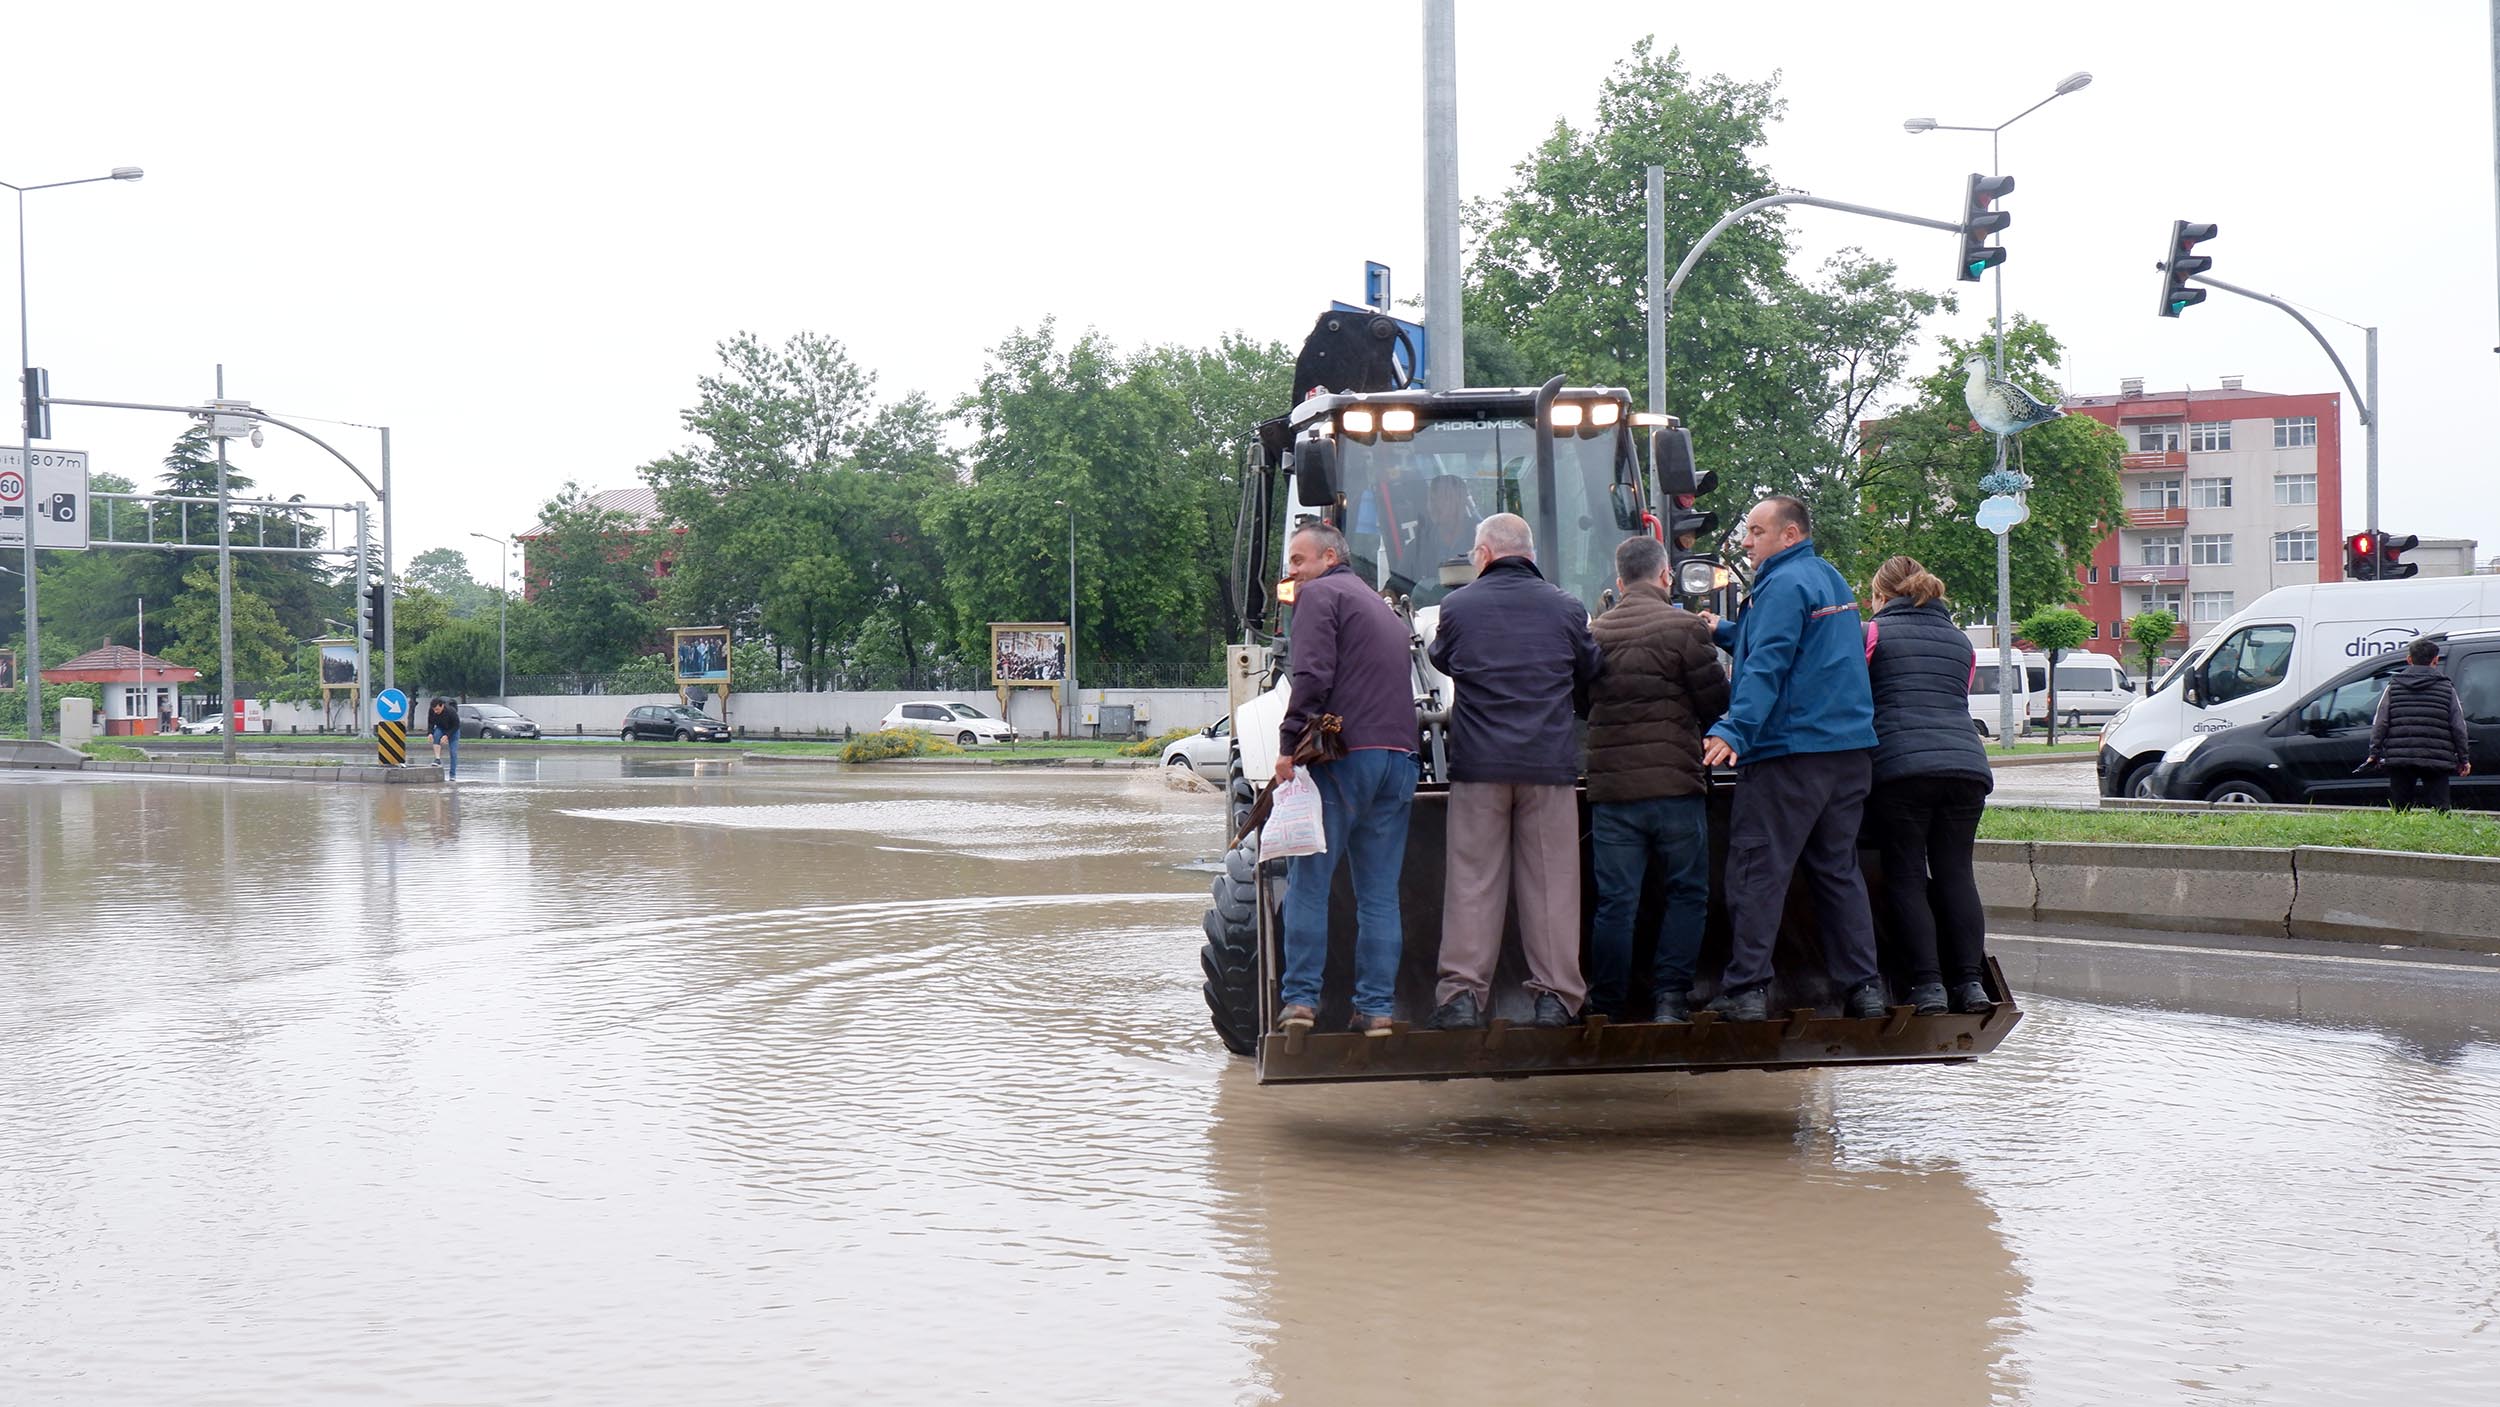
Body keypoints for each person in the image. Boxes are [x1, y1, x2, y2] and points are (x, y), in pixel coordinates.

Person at [1696, 496, 1887, 1022]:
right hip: (1848, 754)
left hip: (1790, 755)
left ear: (1789, 534)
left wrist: (1734, 728)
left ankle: (1747, 990)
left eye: (1756, 531)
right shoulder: (1830, 579)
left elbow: (1769, 665)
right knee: (1837, 871)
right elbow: (1803, 651)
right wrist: (1725, 631)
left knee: (1759, 870)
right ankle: (1864, 989)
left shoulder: (1779, 586)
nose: (1745, 541)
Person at [1426, 512, 1603, 1029]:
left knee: (1472, 881)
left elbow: (1444, 659)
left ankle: (1461, 997)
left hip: (1479, 764)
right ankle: (1555, 998)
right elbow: (1591, 669)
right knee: (1552, 883)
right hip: (1548, 765)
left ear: (1483, 554)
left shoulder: (1458, 606)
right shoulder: (1567, 607)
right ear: (1529, 554)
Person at [1272, 519, 1423, 1037]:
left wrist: (1289, 744)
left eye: (1298, 560)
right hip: (1400, 758)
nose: (1292, 572)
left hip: (1345, 759)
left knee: (1309, 882)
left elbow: (1312, 675)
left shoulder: (1319, 598)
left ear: (1329, 559)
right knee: (1379, 894)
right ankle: (1377, 1009)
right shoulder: (1382, 611)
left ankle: (1300, 1003)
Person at [1585, 534, 1729, 1023]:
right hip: (1675, 789)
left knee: (1616, 903)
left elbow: (1580, 705)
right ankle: (1670, 998)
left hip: (1613, 792)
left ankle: (1608, 1003)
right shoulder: (1685, 627)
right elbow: (1716, 702)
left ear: (1619, 580)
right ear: (1666, 575)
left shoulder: (1595, 633)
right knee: (1687, 892)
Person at [1862, 556, 1996, 1017]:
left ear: (1881, 595)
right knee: (1957, 872)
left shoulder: (1874, 633)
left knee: (1906, 876)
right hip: (1966, 767)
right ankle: (1971, 985)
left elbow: (1858, 694)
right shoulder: (1961, 641)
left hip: (1903, 769)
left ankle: (1929, 986)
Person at [2368, 637, 2471, 812]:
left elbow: (2381, 722)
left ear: (2409, 659)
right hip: (2436, 756)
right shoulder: (2447, 688)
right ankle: (2441, 837)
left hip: (2400, 756)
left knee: (2400, 808)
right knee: (2441, 809)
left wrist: (2374, 752)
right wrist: (2463, 758)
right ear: (2436, 660)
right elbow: (2458, 726)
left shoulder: (2394, 687)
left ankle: (2400, 837)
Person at [426, 696, 459, 780]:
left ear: (442, 706)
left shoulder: (451, 711)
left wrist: (447, 736)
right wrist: (430, 733)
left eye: (437, 709)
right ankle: (437, 759)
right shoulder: (432, 710)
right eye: (434, 709)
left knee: (453, 752)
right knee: (436, 736)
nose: (435, 711)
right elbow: (430, 722)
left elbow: (456, 726)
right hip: (440, 728)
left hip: (453, 730)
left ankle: (452, 775)